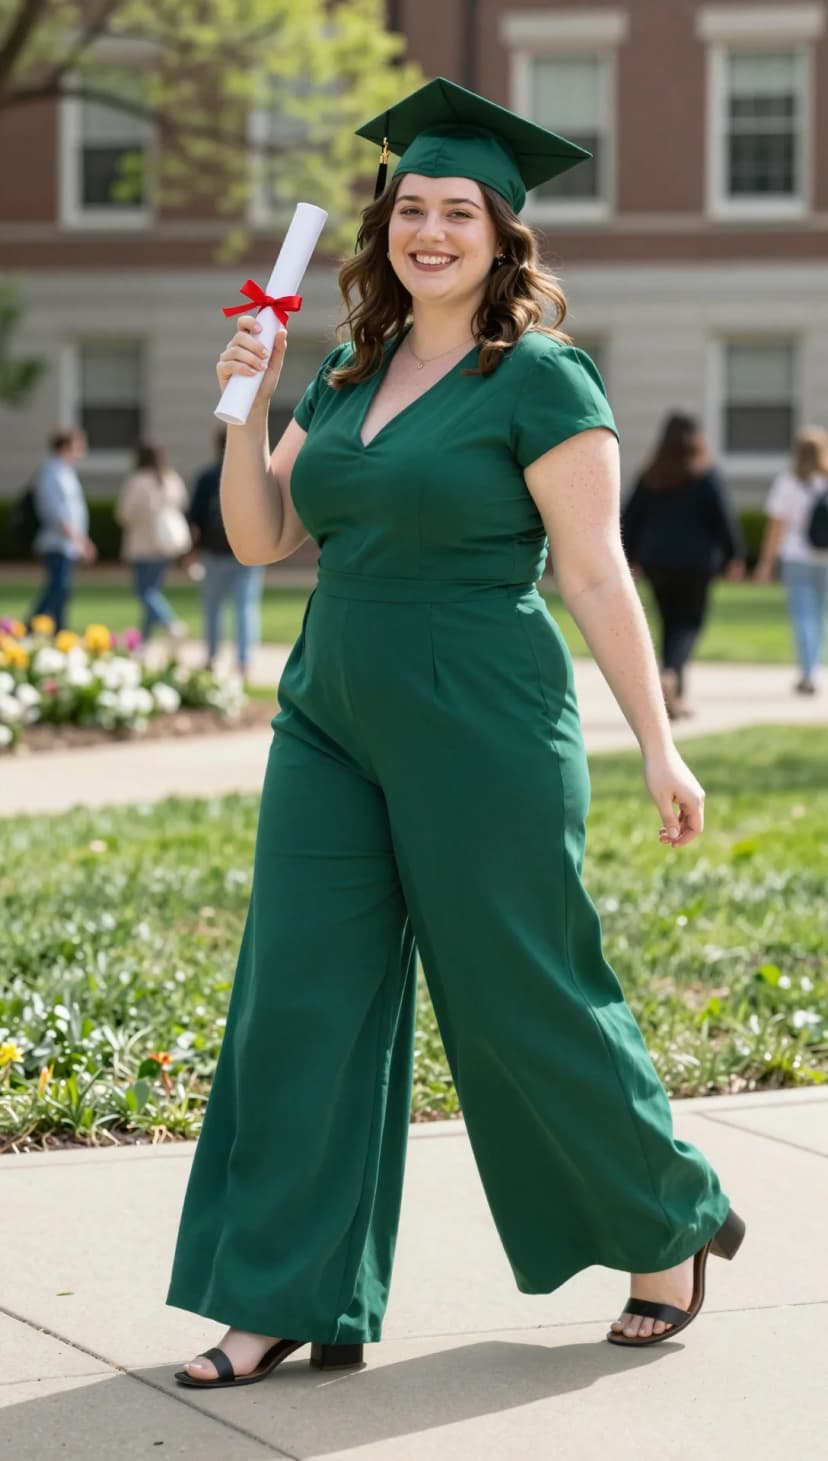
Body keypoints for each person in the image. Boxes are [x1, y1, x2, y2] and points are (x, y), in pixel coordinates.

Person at [167, 77, 745, 1389]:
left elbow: (596, 576)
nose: (429, 229)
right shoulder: (351, 367)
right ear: (383, 230)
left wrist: (659, 739)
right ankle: (284, 1292)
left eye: (457, 211)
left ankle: (672, 1222)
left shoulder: (542, 378)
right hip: (331, 717)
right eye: (410, 207)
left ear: (501, 234)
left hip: (483, 717)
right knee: (298, 1004)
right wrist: (243, 407)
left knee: (520, 998)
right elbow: (263, 538)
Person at [621, 414, 746, 719]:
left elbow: (629, 518)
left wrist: (630, 556)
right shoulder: (705, 475)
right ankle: (671, 675)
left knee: (668, 624)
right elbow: (724, 519)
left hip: (657, 562)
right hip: (696, 564)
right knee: (689, 624)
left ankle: (672, 695)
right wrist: (736, 555)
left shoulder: (651, 475)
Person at [754, 426, 828, 694]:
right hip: (824, 559)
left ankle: (808, 671)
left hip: (796, 556)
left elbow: (776, 527)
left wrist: (766, 563)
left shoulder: (788, 482)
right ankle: (814, 667)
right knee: (820, 615)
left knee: (803, 616)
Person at [187, 428, 265, 677]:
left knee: (213, 608)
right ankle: (243, 661)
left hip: (214, 552)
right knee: (245, 607)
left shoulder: (207, 477)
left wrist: (192, 550)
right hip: (248, 551)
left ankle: (212, 656)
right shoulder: (252, 475)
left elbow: (194, 517)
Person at [114, 442, 190, 644]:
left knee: (145, 592)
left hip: (142, 546)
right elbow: (182, 505)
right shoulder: (171, 479)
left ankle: (170, 622)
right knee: (153, 590)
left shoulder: (138, 481)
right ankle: (144, 641)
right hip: (165, 546)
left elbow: (124, 514)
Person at [28, 428, 97, 632]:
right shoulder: (52, 473)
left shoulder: (66, 472)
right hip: (56, 542)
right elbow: (56, 513)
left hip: (67, 544)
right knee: (57, 589)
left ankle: (57, 631)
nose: (82, 449)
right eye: (78, 445)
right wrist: (80, 541)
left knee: (61, 590)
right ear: (66, 447)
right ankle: (33, 628)